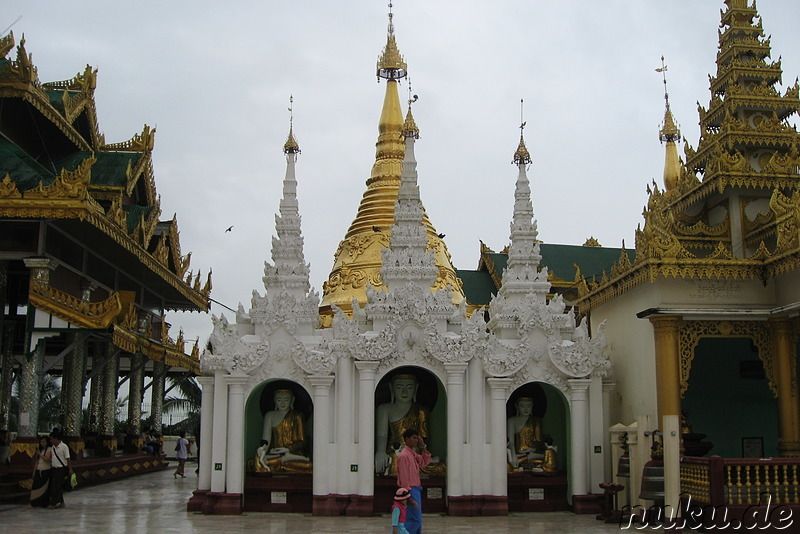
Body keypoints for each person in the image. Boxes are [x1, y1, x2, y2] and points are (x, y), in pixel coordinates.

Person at [375, 373, 431, 475]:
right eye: (399, 387)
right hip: (394, 452)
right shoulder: (384, 409)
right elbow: (381, 435)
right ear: (392, 389)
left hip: (415, 453)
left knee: (442, 467)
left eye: (409, 387)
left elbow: (423, 438)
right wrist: (380, 451)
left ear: (416, 388)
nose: (404, 392)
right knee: (393, 461)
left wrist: (424, 454)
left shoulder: (421, 411)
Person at [259, 389, 312, 472]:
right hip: (275, 454)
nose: (282, 403)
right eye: (279, 400)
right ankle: (283, 460)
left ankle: (286, 459)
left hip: (293, 453)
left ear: (292, 400)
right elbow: (266, 441)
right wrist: (262, 451)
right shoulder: (269, 415)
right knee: (257, 462)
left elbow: (302, 442)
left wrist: (287, 449)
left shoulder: (297, 416)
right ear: (274, 400)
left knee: (310, 466)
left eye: (286, 399)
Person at [396, 428, 431, 534]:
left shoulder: (413, 454)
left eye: (417, 438)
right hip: (410, 490)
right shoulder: (404, 456)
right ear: (407, 439)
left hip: (416, 489)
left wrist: (423, 446)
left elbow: (425, 461)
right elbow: (404, 477)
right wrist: (408, 495)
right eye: (414, 438)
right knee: (414, 519)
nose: (416, 440)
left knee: (416, 519)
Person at [507, 396, 545, 469]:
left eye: (529, 406)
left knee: (549, 455)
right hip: (519, 455)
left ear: (532, 407)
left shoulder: (536, 421)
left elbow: (539, 441)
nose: (526, 409)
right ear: (516, 406)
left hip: (533, 454)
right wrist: (514, 455)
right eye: (522, 406)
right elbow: (510, 442)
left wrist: (532, 449)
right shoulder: (512, 421)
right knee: (510, 460)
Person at [46, 429, 72, 509]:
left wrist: (70, 469)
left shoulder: (64, 447)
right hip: (54, 469)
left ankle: (53, 503)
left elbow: (68, 458)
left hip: (61, 469)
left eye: (51, 439)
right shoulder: (53, 447)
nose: (50, 440)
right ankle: (61, 502)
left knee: (56, 486)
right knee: (57, 486)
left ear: (56, 439)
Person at [29, 436, 51, 507]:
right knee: (36, 486)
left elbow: (47, 459)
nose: (42, 443)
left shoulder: (49, 449)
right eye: (41, 442)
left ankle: (44, 503)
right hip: (39, 470)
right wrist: (34, 471)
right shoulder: (40, 450)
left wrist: (40, 455)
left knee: (44, 488)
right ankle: (34, 503)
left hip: (46, 470)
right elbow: (37, 461)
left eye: (44, 442)